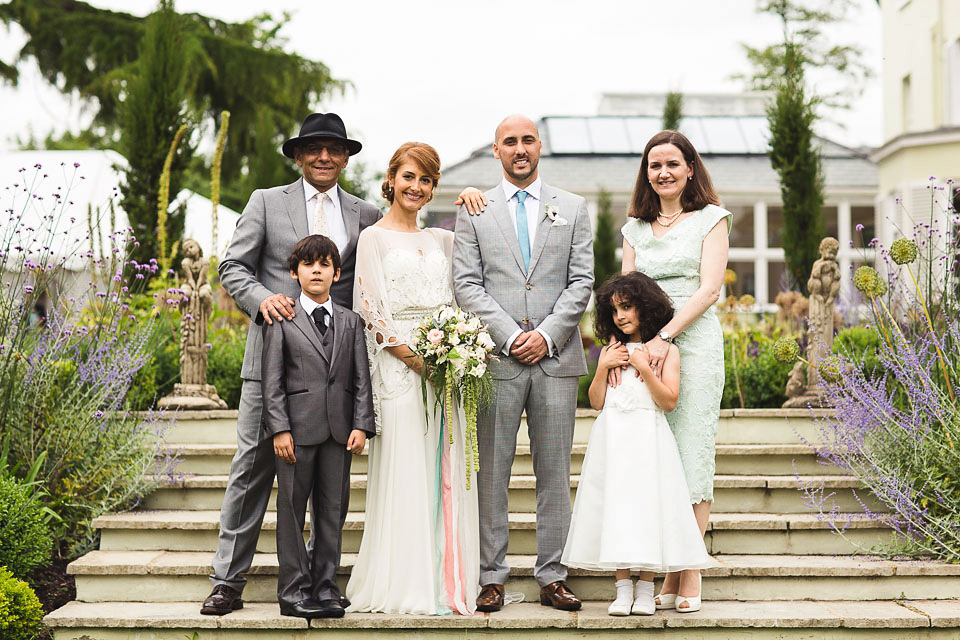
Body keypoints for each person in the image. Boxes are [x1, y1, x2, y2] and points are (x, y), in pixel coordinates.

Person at [202, 113, 381, 616]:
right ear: (298, 156)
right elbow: (232, 266)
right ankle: (227, 581)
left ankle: (323, 585)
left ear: (346, 157)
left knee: (329, 492)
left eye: (334, 149)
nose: (325, 157)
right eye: (314, 148)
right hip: (270, 368)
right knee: (252, 471)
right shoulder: (265, 202)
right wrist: (261, 299)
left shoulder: (364, 214)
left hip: (332, 379)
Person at [453, 115, 594, 613]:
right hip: (496, 360)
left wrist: (547, 335)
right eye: (509, 141)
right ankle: (492, 576)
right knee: (491, 472)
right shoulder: (475, 210)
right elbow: (467, 284)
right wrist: (513, 335)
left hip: (556, 361)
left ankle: (553, 575)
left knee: (555, 474)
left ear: (540, 147)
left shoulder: (573, 208)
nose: (519, 148)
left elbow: (582, 282)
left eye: (527, 140)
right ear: (496, 150)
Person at [346, 142, 479, 615]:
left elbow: (467, 291)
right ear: (391, 179)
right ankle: (404, 580)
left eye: (426, 180)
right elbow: (369, 309)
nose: (416, 187)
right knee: (405, 468)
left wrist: (456, 354)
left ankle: (443, 578)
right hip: (399, 368)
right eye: (408, 177)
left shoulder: (443, 241)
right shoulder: (373, 239)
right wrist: (416, 359)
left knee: (439, 470)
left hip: (446, 367)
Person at [618, 129, 730, 611]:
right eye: (654, 165)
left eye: (672, 164)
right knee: (655, 459)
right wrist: (637, 346)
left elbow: (709, 291)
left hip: (695, 344)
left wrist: (666, 336)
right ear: (647, 173)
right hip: (646, 350)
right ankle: (665, 572)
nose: (663, 173)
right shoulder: (634, 228)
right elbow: (623, 291)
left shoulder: (711, 219)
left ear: (690, 169)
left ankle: (690, 572)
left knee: (691, 453)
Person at [562, 272, 712, 616]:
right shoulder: (611, 351)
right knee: (617, 508)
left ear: (645, 307)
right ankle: (622, 588)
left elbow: (669, 401)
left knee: (648, 509)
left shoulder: (665, 353)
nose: (621, 317)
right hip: (613, 440)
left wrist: (644, 367)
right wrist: (602, 368)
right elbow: (596, 401)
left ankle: (646, 588)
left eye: (627, 307)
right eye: (614, 311)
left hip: (648, 439)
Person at [261, 235, 375, 619]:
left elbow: (361, 379)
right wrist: (279, 429)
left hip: (339, 433)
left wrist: (362, 424)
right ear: (295, 272)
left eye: (325, 264)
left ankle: (325, 586)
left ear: (336, 273)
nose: (316, 270)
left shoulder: (350, 321)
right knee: (292, 512)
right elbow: (271, 381)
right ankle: (292, 590)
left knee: (332, 510)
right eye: (308, 264)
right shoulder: (281, 319)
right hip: (295, 433)